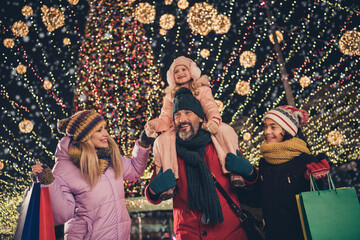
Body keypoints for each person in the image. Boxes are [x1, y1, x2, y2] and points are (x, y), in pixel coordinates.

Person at [145, 87, 258, 240]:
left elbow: (252, 182)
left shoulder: (219, 144)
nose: (182, 119)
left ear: (199, 117)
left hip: (229, 232)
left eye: (187, 113)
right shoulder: (168, 151)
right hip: (189, 233)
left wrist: (249, 171)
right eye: (177, 115)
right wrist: (153, 190)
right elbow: (154, 197)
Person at [31, 110, 154, 240]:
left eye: (104, 128)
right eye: (99, 130)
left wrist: (143, 143)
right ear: (85, 136)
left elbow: (135, 170)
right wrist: (49, 182)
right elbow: (62, 214)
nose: (106, 133)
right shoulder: (65, 168)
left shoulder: (108, 156)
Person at [225, 105, 330, 240]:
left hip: (302, 235)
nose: (267, 132)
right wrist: (243, 178)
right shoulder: (265, 162)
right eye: (265, 126)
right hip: (273, 234)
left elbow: (318, 202)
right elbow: (258, 200)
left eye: (273, 127)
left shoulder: (304, 160)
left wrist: (314, 179)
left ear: (286, 130)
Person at [145, 56, 243, 192]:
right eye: (176, 71)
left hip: (202, 125)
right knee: (163, 139)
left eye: (183, 69)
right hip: (180, 129)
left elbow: (210, 106)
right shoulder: (169, 96)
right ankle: (169, 180)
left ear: (191, 71)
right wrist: (153, 125)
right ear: (171, 76)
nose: (180, 73)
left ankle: (234, 171)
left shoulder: (202, 89)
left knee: (224, 130)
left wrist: (214, 120)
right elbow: (166, 118)